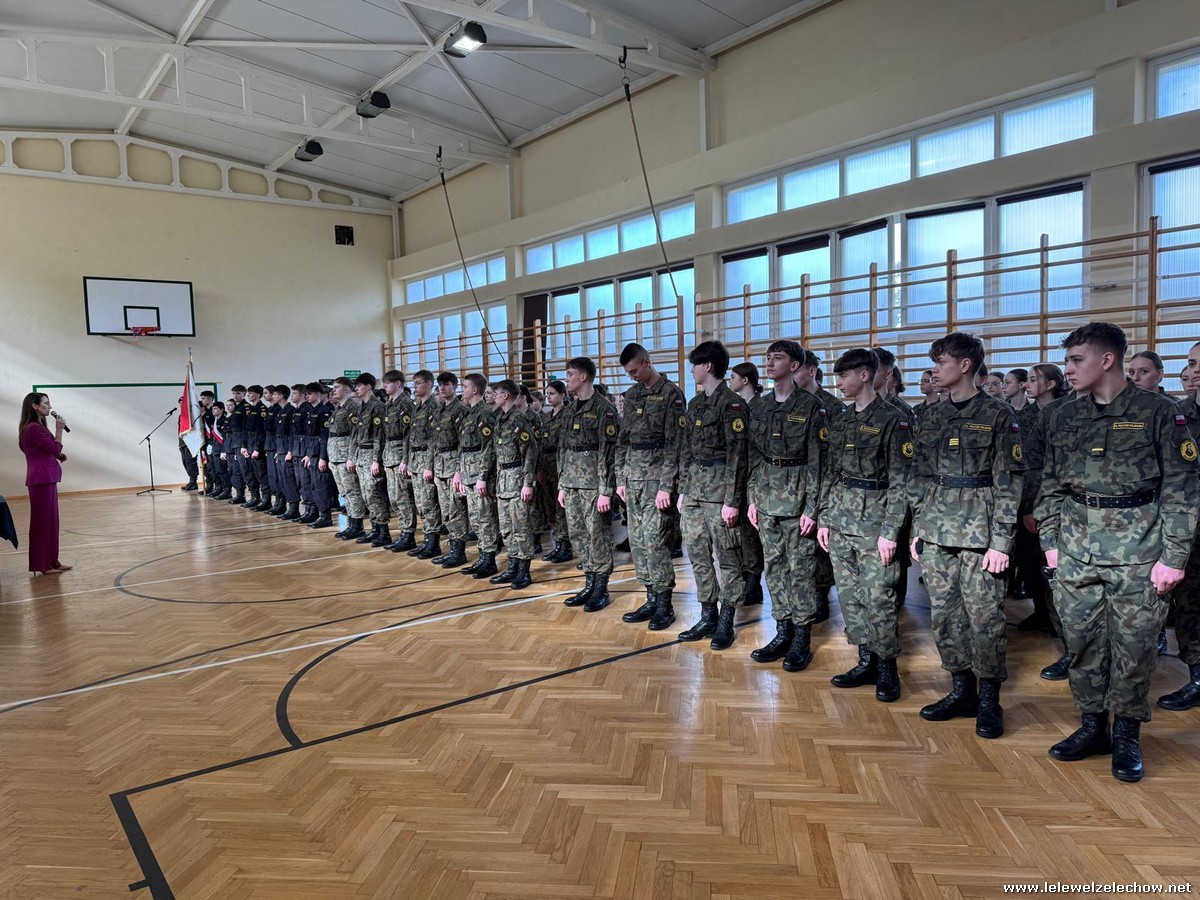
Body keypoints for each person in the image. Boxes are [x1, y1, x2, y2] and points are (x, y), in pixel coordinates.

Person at [1037, 323, 1197, 782]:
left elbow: (1182, 489)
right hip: (1075, 549)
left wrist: (1174, 557)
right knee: (1081, 643)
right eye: (1067, 361)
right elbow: (1051, 483)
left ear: (1107, 360)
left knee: (1135, 648)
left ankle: (1126, 734)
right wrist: (1050, 542)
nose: (1068, 370)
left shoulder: (1159, 412)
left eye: (1076, 360)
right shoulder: (1064, 415)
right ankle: (1093, 727)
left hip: (1139, 551)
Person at [910, 332, 1024, 740]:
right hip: (937, 529)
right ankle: (961, 690)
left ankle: (989, 699)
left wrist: (1002, 541)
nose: (934, 370)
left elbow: (1009, 482)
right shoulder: (932, 416)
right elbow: (919, 475)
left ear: (964, 365)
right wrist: (919, 526)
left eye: (941, 362)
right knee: (944, 615)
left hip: (981, 533)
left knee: (985, 618)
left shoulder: (997, 414)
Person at [817, 348, 911, 700]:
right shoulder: (841, 420)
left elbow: (902, 481)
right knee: (851, 597)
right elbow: (831, 473)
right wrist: (825, 518)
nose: (839, 382)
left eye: (844, 376)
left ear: (865, 375)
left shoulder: (893, 419)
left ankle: (887, 668)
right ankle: (865, 660)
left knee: (880, 598)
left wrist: (891, 531)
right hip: (841, 518)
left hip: (876, 522)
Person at [745, 340, 826, 667]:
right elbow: (754, 455)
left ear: (794, 366)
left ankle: (802, 638)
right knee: (775, 568)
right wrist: (752, 497)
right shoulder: (761, 406)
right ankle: (783, 630)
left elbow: (819, 463)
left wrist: (813, 508)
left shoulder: (811, 406)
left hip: (798, 500)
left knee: (801, 571)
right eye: (767, 358)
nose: (769, 363)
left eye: (777, 358)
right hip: (766, 497)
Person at [677, 340, 749, 648]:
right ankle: (708, 614)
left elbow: (738, 456)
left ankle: (726, 620)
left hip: (720, 491)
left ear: (708, 366)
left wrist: (733, 501)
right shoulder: (696, 404)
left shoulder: (732, 404)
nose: (692, 370)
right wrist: (683, 489)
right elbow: (687, 450)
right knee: (697, 554)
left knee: (728, 557)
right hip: (695, 488)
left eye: (695, 364)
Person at [616, 343, 687, 630]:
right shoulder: (632, 395)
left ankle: (665, 604)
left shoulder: (671, 394)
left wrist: (667, 485)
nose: (631, 376)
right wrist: (620, 478)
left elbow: (676, 444)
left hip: (657, 480)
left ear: (647, 361)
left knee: (657, 543)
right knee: (638, 542)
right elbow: (623, 441)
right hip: (633, 479)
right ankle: (651, 597)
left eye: (634, 370)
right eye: (628, 373)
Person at [559, 356, 619, 612]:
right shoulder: (570, 409)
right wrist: (562, 484)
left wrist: (606, 490)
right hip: (572, 482)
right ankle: (589, 582)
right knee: (578, 535)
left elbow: (609, 452)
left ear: (583, 376)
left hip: (594, 484)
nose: (567, 379)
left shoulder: (604, 409)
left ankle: (601, 588)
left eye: (570, 374)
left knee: (598, 536)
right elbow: (564, 448)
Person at [1160, 339, 1200, 711]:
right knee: (1190, 605)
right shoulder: (1178, 414)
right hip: (1189, 530)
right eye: (1191, 362)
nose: (1195, 370)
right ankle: (1197, 678)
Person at [489, 380, 539, 589]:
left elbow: (530, 451)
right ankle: (512, 566)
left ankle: (524, 571)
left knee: (521, 528)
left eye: (497, 393)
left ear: (506, 395)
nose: (493, 396)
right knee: (507, 528)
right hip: (503, 480)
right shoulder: (500, 419)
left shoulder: (519, 419)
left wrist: (528, 483)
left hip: (517, 479)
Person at [18, 392, 71, 576]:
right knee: (42, 523)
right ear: (35, 406)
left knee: (51, 522)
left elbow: (50, 450)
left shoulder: (38, 427)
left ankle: (52, 561)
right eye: (46, 403)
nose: (50, 407)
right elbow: (53, 447)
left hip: (46, 478)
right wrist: (59, 431)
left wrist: (58, 455)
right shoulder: (33, 428)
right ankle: (41, 564)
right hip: (41, 479)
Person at [455, 373, 501, 577]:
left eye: (465, 386)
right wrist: (461, 473)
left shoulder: (484, 414)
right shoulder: (470, 413)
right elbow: (464, 447)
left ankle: (489, 559)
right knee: (476, 518)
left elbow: (489, 448)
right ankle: (482, 556)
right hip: (469, 473)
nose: (462, 390)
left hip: (480, 475)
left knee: (486, 517)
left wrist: (482, 476)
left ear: (474, 390)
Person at [428, 372, 469, 566]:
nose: (442, 388)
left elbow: (463, 443)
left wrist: (459, 470)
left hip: (453, 464)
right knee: (446, 510)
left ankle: (459, 552)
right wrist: (433, 468)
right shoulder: (439, 410)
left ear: (455, 386)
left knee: (456, 509)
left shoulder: (460, 410)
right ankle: (452, 548)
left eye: (446, 384)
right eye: (440, 385)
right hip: (440, 464)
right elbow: (434, 441)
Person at [405, 370, 443, 559]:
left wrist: (429, 466)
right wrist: (407, 461)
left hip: (426, 460)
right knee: (420, 503)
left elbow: (434, 440)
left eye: (418, 383)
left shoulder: (433, 407)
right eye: (414, 383)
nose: (415, 387)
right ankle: (427, 539)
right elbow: (411, 437)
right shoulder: (417, 407)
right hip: (415, 459)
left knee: (429, 503)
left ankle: (433, 542)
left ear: (428, 384)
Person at [348, 373, 389, 546]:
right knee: (366, 495)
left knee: (374, 494)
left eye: (359, 386)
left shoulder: (377, 407)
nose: (356, 389)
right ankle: (375, 529)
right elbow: (356, 435)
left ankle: (384, 531)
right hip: (361, 455)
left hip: (371, 454)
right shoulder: (361, 407)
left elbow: (380, 436)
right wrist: (353, 457)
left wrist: (376, 460)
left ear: (368, 387)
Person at [380, 370, 418, 552]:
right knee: (395, 498)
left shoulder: (406, 404)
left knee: (404, 498)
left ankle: (408, 534)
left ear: (398, 384)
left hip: (400, 456)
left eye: (387, 383)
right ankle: (403, 531)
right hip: (389, 456)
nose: (384, 386)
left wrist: (405, 459)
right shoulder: (389, 405)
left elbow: (409, 435)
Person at [325, 377, 364, 540]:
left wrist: (352, 457)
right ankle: (351, 524)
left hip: (346, 456)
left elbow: (356, 435)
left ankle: (357, 526)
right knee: (344, 493)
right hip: (336, 456)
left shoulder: (352, 407)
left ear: (347, 389)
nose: (333, 390)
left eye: (337, 387)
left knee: (352, 491)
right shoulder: (339, 408)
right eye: (333, 387)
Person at [537, 380, 572, 563]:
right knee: (550, 507)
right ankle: (557, 543)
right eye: (547, 394)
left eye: (552, 393)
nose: (549, 397)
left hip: (560, 465)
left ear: (562, 395)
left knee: (561, 508)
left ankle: (565, 545)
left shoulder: (568, 415)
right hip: (546, 466)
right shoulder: (546, 416)